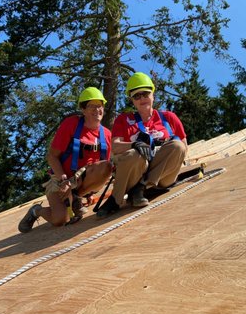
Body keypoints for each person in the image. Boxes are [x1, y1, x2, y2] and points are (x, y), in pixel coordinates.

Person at [19, 87, 113, 232]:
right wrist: (63, 180)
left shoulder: (106, 135)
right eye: (91, 106)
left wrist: (90, 192)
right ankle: (36, 211)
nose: (97, 110)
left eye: (99, 106)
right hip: (60, 179)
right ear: (83, 109)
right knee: (60, 220)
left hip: (81, 181)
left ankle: (76, 198)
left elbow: (101, 168)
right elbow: (52, 156)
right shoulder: (71, 125)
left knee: (107, 166)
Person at [96, 72, 187, 217]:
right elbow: (115, 146)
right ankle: (116, 199)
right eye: (137, 96)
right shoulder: (124, 119)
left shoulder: (169, 118)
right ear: (132, 100)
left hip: (163, 175)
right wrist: (135, 145)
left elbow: (184, 147)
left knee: (177, 146)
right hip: (136, 171)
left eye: (145, 94)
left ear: (153, 95)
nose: (142, 98)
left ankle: (142, 187)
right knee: (133, 153)